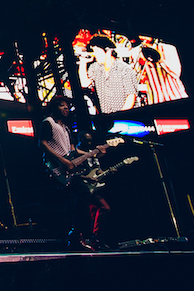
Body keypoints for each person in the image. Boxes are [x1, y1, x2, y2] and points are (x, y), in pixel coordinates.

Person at [39, 96, 105, 251]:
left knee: (78, 198)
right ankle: (74, 235)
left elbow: (73, 151)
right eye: (62, 105)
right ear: (54, 107)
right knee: (82, 194)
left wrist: (94, 153)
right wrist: (62, 161)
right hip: (57, 167)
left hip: (69, 168)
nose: (65, 108)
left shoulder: (67, 128)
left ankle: (76, 235)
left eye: (67, 106)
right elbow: (42, 143)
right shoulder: (48, 122)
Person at [78, 35, 138, 114]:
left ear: (108, 51)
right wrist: (83, 62)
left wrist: (121, 116)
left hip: (123, 117)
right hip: (103, 118)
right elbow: (84, 83)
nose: (95, 54)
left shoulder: (125, 70)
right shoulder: (95, 68)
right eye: (94, 51)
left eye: (97, 51)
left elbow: (131, 97)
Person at [77, 132, 111, 251]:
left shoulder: (93, 155)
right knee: (101, 209)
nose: (89, 143)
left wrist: (106, 173)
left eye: (90, 141)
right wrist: (87, 178)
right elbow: (71, 174)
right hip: (82, 188)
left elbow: (97, 171)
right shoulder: (75, 154)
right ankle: (90, 239)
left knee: (97, 212)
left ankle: (96, 239)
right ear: (80, 140)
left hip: (94, 188)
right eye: (87, 141)